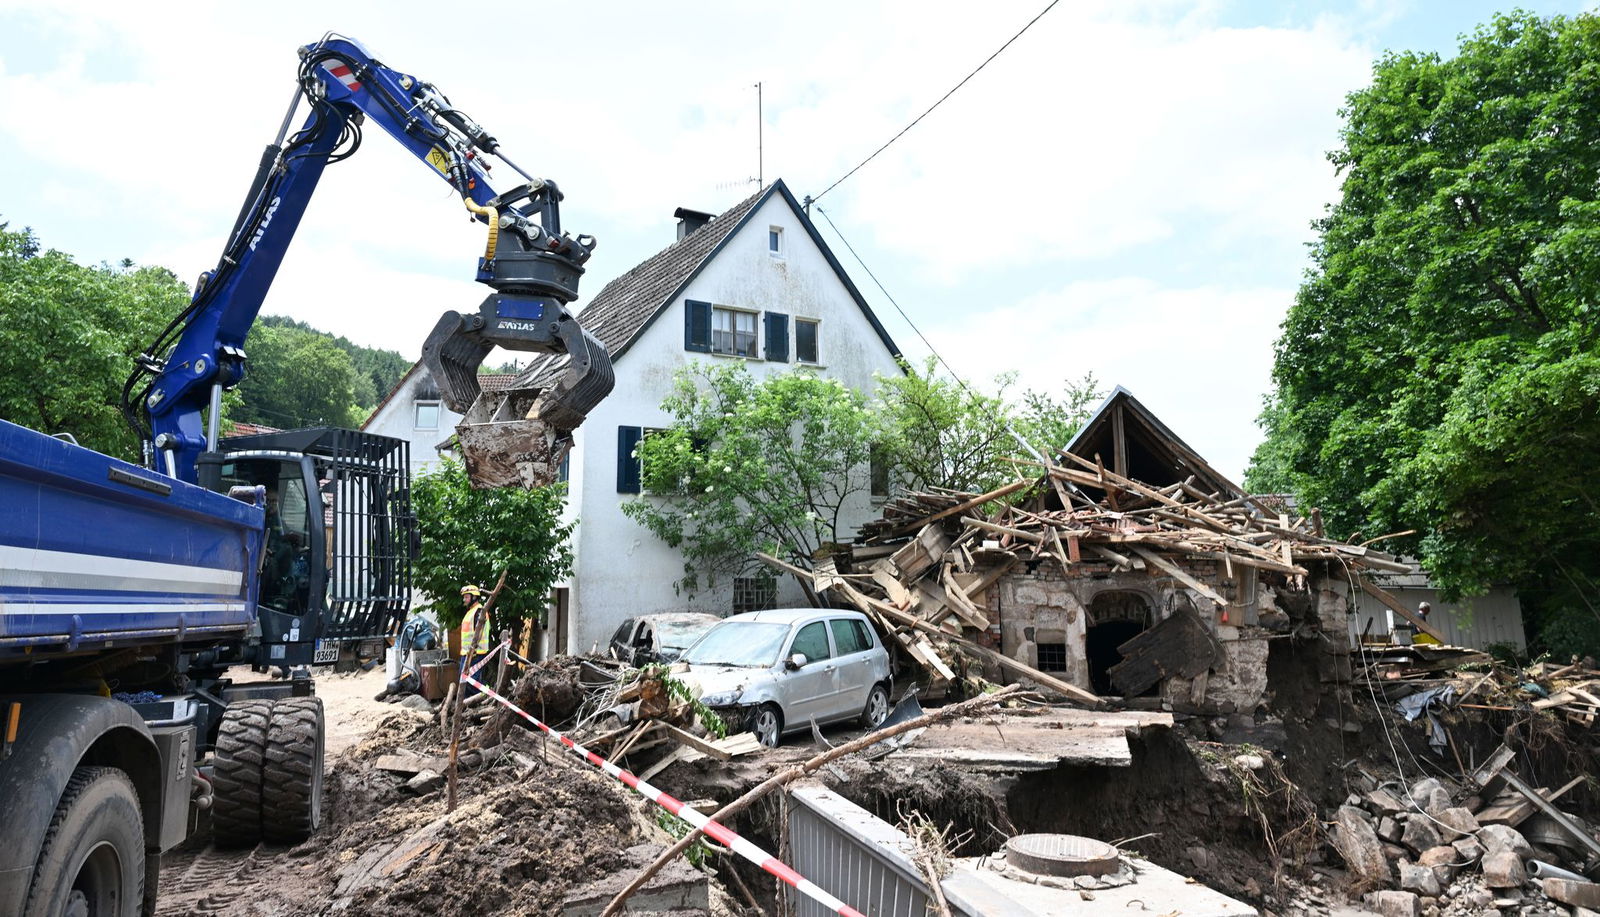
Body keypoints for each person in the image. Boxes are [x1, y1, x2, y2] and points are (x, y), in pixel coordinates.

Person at [458, 584, 492, 693]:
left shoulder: (479, 611)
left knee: (471, 681)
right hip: (467, 652)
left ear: (474, 597)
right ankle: (468, 702)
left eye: (466, 597)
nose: (464, 600)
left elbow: (479, 632)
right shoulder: (471, 612)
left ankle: (485, 695)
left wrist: (473, 650)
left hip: (476, 653)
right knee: (464, 681)